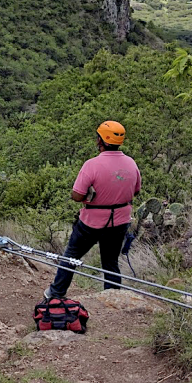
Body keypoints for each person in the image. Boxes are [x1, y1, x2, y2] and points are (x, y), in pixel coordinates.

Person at [44, 121, 141, 299]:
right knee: (110, 261)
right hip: (119, 220)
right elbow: (136, 190)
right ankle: (113, 296)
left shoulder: (92, 165)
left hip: (92, 222)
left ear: (100, 140)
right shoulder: (131, 163)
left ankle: (55, 293)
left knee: (71, 256)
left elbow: (77, 195)